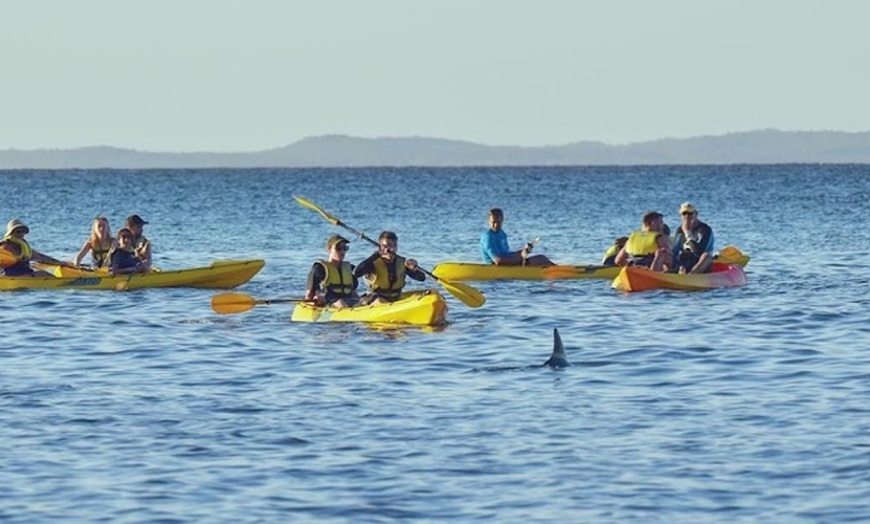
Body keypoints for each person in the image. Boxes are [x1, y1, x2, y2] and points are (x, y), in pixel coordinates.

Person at [354, 231, 426, 305]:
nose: (391, 249)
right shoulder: (373, 262)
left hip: (395, 298)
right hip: (374, 299)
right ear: (380, 247)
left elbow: (422, 278)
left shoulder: (402, 262)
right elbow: (356, 273)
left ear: (396, 246)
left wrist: (415, 269)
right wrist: (376, 255)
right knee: (379, 301)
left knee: (428, 294)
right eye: (386, 246)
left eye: (393, 246)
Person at [480, 208, 553, 266]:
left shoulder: (502, 234)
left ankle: (560, 272)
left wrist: (524, 251)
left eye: (498, 222)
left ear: (502, 220)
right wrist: (521, 256)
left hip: (507, 265)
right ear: (489, 222)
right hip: (496, 267)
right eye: (493, 222)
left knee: (541, 258)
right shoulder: (488, 237)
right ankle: (561, 274)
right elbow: (498, 261)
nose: (496, 225)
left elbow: (507, 255)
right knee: (539, 260)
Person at [304, 235, 360, 308]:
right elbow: (309, 294)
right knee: (340, 303)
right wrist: (316, 300)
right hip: (330, 300)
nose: (342, 251)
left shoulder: (350, 268)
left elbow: (353, 291)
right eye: (338, 248)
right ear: (329, 250)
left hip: (349, 300)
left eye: (345, 248)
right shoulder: (320, 268)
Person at [0, 219, 67, 277]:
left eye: (22, 232)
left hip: (24, 274)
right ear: (11, 234)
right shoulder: (6, 246)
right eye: (18, 232)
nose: (21, 234)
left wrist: (59, 262)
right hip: (11, 276)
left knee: (44, 273)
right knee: (44, 274)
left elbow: (40, 257)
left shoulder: (24, 247)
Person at [672, 202, 715, 274]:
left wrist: (687, 233)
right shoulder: (679, 230)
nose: (687, 216)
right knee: (664, 253)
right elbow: (674, 251)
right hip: (684, 259)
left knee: (706, 256)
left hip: (699, 261)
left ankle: (691, 275)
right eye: (684, 214)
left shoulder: (705, 229)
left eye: (690, 213)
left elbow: (699, 252)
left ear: (696, 214)